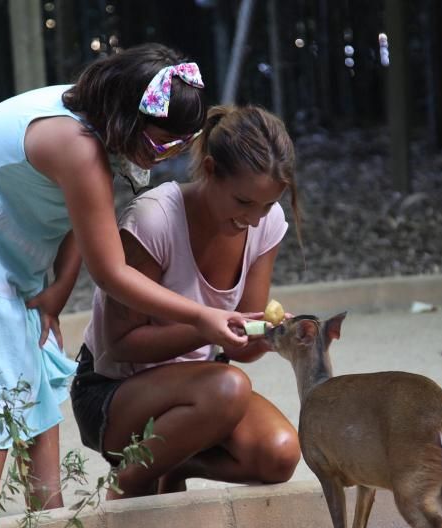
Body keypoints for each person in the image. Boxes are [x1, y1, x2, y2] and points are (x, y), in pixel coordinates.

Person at [0, 44, 250, 524]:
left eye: (182, 147)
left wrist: (57, 290)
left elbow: (83, 217)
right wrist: (201, 315)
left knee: (29, 359)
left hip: (3, 229)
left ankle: (47, 515)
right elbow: (112, 272)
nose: (167, 157)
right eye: (161, 145)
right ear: (126, 116)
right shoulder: (78, 146)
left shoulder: (102, 125)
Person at [70, 105, 303, 499]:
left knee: (279, 455)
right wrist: (202, 327)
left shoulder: (266, 224)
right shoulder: (154, 219)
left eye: (267, 205)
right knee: (229, 386)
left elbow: (240, 344)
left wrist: (268, 336)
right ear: (210, 170)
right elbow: (119, 344)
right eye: (244, 202)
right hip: (115, 393)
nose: (255, 218)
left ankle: (171, 461)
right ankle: (126, 485)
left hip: (203, 393)